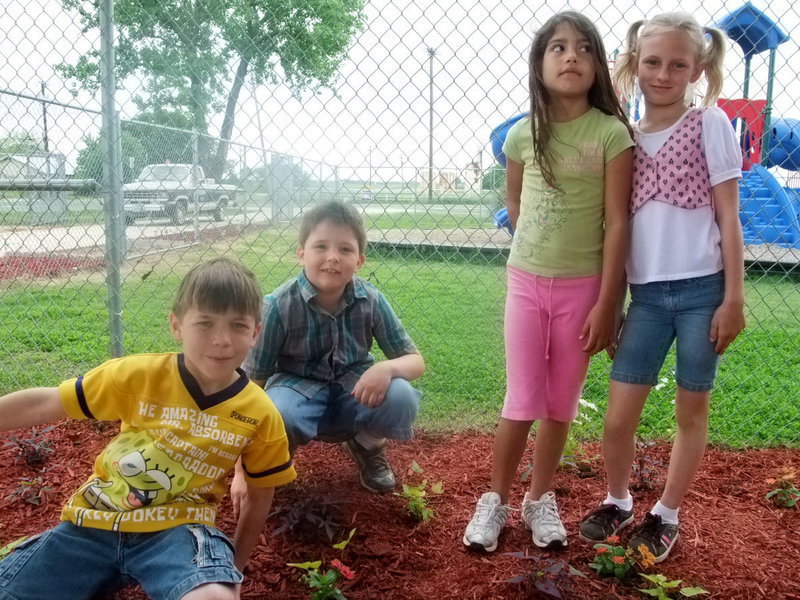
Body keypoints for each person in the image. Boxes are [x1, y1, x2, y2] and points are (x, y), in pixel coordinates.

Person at [0, 258, 296, 600]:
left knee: (212, 596)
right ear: (176, 325)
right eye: (205, 323)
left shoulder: (259, 412)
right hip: (94, 522)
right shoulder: (136, 376)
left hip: (179, 532)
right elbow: (50, 402)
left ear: (256, 332)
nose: (222, 340)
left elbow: (261, 495)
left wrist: (236, 566)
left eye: (238, 326)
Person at [463, 11, 634, 553]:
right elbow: (514, 202)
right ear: (539, 63)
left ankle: (540, 498)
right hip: (527, 284)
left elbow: (618, 221)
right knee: (521, 398)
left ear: (598, 65)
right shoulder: (523, 134)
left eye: (584, 48)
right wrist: (533, 247)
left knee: (560, 402)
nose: (571, 57)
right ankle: (495, 501)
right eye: (557, 47)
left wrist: (609, 302)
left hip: (584, 291)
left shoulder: (611, 134)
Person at [578, 13, 746, 563]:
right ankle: (618, 500)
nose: (664, 73)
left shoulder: (710, 124)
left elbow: (728, 217)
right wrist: (614, 301)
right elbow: (617, 226)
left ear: (698, 68)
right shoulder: (621, 134)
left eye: (678, 64)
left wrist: (734, 297)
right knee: (618, 415)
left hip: (703, 294)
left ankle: (666, 515)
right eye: (653, 62)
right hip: (646, 298)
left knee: (690, 412)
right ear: (635, 63)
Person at [237, 200, 425, 496]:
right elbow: (252, 384)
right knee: (275, 410)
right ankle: (276, 460)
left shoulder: (371, 300)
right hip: (296, 390)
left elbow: (415, 361)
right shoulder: (277, 306)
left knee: (401, 395)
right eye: (321, 246)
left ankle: (367, 445)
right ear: (301, 254)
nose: (333, 257)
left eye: (345, 249)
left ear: (360, 260)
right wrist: (240, 464)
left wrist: (386, 368)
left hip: (353, 388)